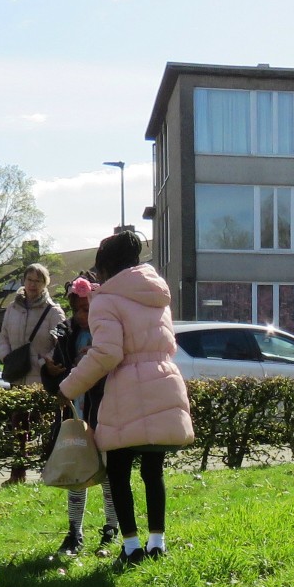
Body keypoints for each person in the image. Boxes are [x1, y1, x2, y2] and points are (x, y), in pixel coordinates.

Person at [57, 229, 193, 566]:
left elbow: (107, 353)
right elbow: (167, 344)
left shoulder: (106, 299)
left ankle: (131, 547)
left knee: (118, 469)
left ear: (105, 267)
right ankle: (157, 542)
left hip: (127, 388)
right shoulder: (157, 294)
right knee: (153, 469)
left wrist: (68, 387)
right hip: (164, 380)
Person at [41, 275, 121, 557]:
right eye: (78, 310)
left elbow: (117, 369)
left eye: (88, 309)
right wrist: (51, 372)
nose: (83, 316)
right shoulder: (65, 333)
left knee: (110, 471)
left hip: (106, 410)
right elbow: (55, 382)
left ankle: (111, 528)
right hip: (76, 411)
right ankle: (74, 532)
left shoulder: (109, 331)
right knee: (76, 469)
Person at [0, 263, 65, 482]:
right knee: (19, 427)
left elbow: (62, 343)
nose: (33, 285)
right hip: (17, 376)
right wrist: (6, 356)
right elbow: (4, 336)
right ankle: (18, 473)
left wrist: (41, 361)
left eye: (38, 280)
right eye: (29, 280)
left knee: (45, 426)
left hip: (41, 378)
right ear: (23, 282)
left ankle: (49, 471)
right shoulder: (12, 308)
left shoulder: (53, 311)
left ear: (45, 283)